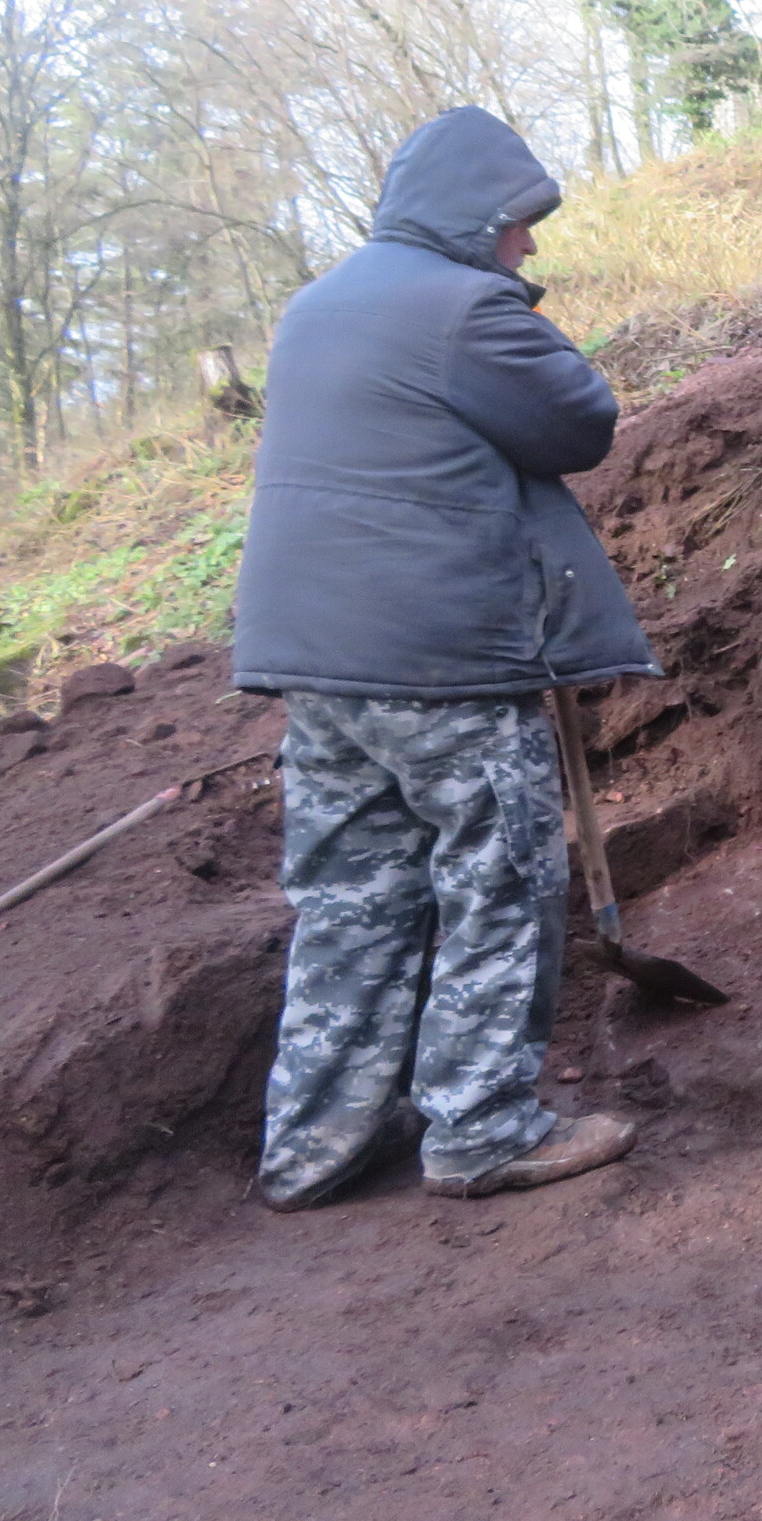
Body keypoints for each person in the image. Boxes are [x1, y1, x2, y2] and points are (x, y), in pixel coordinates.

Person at [233, 106, 661, 1210]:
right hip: (442, 662)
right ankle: (480, 1128)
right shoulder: (466, 307)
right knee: (498, 881)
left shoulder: (313, 307)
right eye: (520, 222)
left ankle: (313, 1145)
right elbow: (580, 422)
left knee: (352, 900)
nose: (530, 242)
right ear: (475, 219)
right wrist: (511, 301)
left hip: (316, 666)